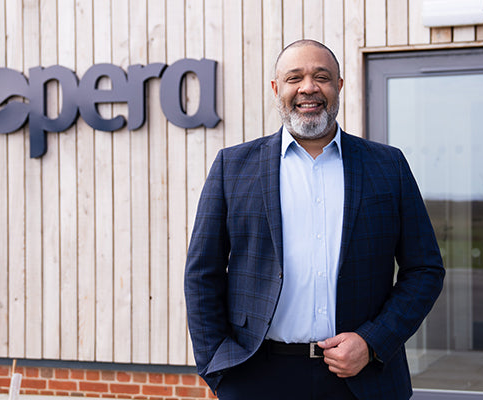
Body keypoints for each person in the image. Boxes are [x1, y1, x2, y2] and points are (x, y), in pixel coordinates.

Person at [184, 39, 445, 400]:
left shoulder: (388, 166)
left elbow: (425, 270)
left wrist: (372, 342)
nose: (308, 87)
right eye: (295, 78)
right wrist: (218, 366)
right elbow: (202, 274)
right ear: (277, 89)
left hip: (363, 378)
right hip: (256, 377)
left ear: (338, 86)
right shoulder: (233, 168)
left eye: (321, 77)